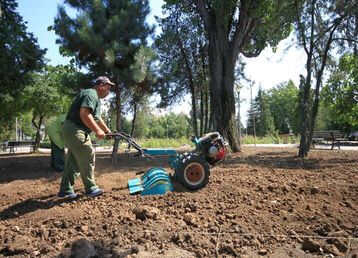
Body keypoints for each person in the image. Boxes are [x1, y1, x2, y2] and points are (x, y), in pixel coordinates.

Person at [58, 76, 114, 199]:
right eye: (108, 87)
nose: (109, 91)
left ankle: (65, 190)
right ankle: (91, 188)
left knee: (73, 161)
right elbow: (84, 114)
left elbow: (97, 118)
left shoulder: (96, 99)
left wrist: (107, 131)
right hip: (75, 129)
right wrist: (98, 131)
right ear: (101, 85)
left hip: (71, 129)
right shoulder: (91, 94)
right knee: (87, 153)